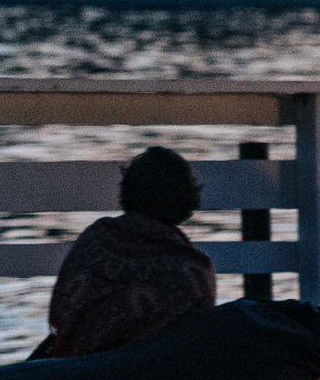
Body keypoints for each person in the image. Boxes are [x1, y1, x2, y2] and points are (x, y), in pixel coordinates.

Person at [30, 146, 218, 359]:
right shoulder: (192, 269)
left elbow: (60, 316)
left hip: (72, 375)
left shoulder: (95, 237)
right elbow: (196, 347)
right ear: (187, 197)